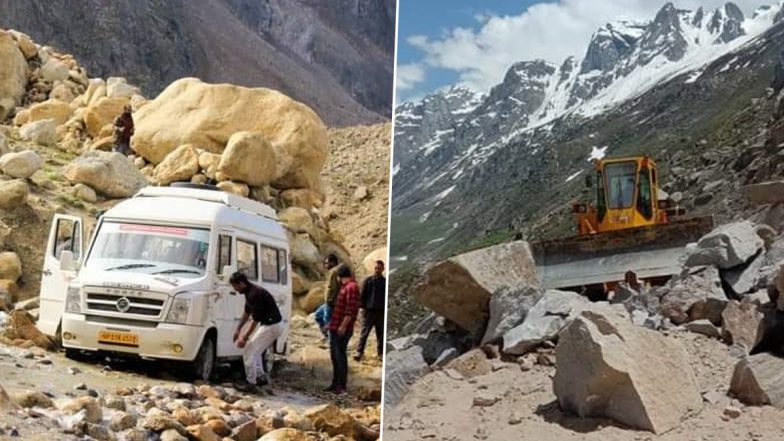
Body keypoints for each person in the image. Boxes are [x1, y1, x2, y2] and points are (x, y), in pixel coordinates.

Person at [229, 272, 283, 393]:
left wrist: (244, 337)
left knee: (249, 351)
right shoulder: (249, 293)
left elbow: (255, 320)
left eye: (235, 287)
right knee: (256, 351)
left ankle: (251, 383)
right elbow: (247, 313)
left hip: (271, 325)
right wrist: (238, 329)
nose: (235, 290)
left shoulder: (254, 294)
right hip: (272, 325)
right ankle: (260, 377)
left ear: (241, 283)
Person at [326, 265, 360, 395]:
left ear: (340, 277)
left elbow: (350, 310)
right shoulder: (346, 287)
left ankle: (341, 385)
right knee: (335, 355)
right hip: (336, 326)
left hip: (342, 328)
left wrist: (343, 326)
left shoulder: (351, 288)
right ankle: (335, 383)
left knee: (340, 355)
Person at [354, 260, 386, 362]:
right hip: (369, 311)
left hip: (381, 312)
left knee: (380, 335)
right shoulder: (368, 280)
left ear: (383, 269)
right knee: (364, 333)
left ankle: (380, 354)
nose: (377, 270)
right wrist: (362, 308)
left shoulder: (385, 282)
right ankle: (359, 352)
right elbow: (362, 295)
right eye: (376, 268)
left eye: (379, 268)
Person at [314, 254, 341, 338]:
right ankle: (327, 336)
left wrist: (329, 300)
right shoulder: (338, 271)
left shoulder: (333, 272)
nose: (326, 266)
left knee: (328, 321)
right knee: (318, 315)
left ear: (333, 262)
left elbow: (331, 288)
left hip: (331, 302)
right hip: (331, 302)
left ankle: (331, 341)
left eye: (327, 263)